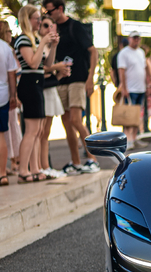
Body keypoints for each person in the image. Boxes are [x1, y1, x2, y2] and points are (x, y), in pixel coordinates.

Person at [43, 0, 100, 175]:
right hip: (61, 81)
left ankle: (93, 159)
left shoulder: (75, 26)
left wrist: (90, 78)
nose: (48, 14)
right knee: (66, 123)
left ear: (60, 9)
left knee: (76, 120)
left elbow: (93, 51)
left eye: (50, 11)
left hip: (78, 79)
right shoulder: (53, 30)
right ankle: (76, 162)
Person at [15, 5, 59, 183]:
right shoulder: (23, 40)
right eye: (36, 18)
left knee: (38, 129)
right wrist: (42, 42)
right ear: (27, 19)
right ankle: (22, 170)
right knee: (32, 130)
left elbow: (46, 65)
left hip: (37, 84)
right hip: (29, 85)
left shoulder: (33, 39)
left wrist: (53, 46)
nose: (39, 22)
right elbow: (32, 64)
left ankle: (34, 168)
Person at [39, 15, 69, 179]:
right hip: (41, 92)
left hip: (49, 90)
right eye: (45, 26)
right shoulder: (38, 45)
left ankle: (45, 166)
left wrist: (60, 74)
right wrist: (56, 67)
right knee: (41, 133)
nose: (48, 29)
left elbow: (50, 76)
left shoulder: (49, 47)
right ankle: (43, 166)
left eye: (51, 26)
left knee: (45, 132)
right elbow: (41, 69)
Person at [118, 30, 151, 150]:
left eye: (138, 38)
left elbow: (144, 69)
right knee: (128, 116)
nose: (136, 40)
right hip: (130, 88)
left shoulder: (141, 52)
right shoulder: (124, 53)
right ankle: (127, 140)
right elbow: (121, 71)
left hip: (140, 88)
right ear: (129, 39)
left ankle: (134, 138)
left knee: (137, 115)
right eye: (134, 38)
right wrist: (124, 87)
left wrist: (148, 85)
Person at [0, 20, 22, 177]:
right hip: (3, 95)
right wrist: (13, 95)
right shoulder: (5, 49)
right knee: (2, 133)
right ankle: (2, 173)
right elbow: (11, 75)